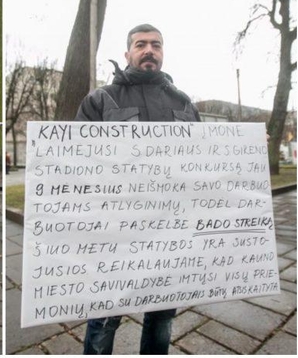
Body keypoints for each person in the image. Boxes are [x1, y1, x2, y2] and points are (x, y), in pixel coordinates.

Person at [76, 24, 200, 355]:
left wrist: (247, 152)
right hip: (115, 233)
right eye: (141, 44)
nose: (149, 50)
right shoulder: (100, 100)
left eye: (156, 45)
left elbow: (204, 161)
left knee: (161, 317)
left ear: (163, 52)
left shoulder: (184, 103)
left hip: (169, 232)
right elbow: (76, 163)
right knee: (104, 317)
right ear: (127, 53)